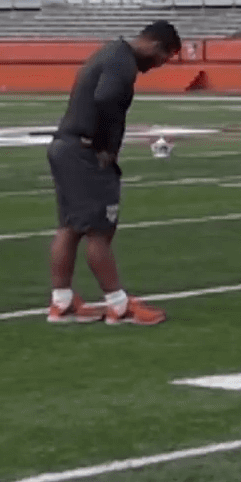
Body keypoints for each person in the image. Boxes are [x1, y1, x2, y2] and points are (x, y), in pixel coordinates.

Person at [47, 20, 181, 327]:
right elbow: (107, 98)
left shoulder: (111, 53)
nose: (159, 65)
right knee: (99, 230)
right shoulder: (123, 62)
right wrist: (106, 146)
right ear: (155, 46)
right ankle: (119, 307)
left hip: (65, 146)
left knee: (70, 227)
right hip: (84, 151)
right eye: (164, 58)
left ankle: (62, 303)